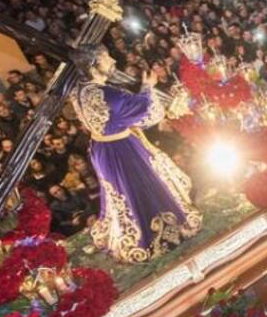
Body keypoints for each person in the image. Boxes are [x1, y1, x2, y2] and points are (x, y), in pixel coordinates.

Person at [71, 46, 202, 262]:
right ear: (94, 65)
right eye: (106, 58)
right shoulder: (110, 95)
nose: (112, 59)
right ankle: (158, 237)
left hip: (102, 149)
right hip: (123, 150)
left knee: (122, 194)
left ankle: (135, 232)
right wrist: (148, 87)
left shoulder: (80, 90)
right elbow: (149, 113)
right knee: (143, 187)